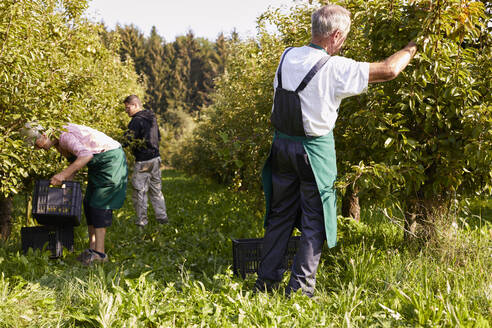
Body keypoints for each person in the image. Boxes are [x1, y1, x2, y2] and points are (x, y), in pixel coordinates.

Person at [256, 4, 418, 297]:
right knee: (314, 219)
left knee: (280, 216)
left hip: (281, 147)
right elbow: (390, 70)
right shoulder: (335, 68)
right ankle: (300, 292)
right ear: (336, 35)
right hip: (314, 153)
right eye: (344, 38)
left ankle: (265, 284)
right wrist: (412, 48)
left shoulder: (286, 55)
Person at [23, 122, 128, 265]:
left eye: (37, 144)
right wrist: (67, 182)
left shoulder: (64, 136)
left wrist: (63, 175)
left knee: (99, 204)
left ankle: (100, 254)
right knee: (89, 202)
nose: (37, 148)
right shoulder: (58, 143)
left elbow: (86, 156)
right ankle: (92, 249)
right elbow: (75, 163)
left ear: (43, 135)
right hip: (99, 165)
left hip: (110, 161)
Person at [123, 95, 169, 227]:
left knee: (139, 192)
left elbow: (127, 140)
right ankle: (162, 219)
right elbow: (158, 137)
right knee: (156, 190)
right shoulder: (152, 118)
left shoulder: (136, 121)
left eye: (128, 107)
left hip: (143, 161)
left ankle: (141, 223)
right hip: (156, 158)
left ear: (136, 105)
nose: (126, 111)